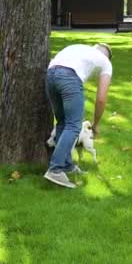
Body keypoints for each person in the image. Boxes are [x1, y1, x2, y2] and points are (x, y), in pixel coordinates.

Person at [43, 43, 113, 188]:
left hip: (50, 75)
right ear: (107, 57)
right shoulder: (105, 62)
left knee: (63, 122)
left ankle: (67, 165)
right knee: (74, 126)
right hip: (70, 77)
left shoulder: (78, 48)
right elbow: (101, 98)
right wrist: (96, 123)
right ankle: (55, 169)